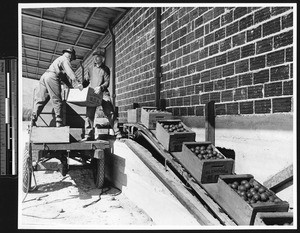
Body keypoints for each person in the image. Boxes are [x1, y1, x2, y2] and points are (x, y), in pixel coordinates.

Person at [30, 48, 83, 127]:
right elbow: (69, 72)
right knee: (57, 100)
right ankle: (59, 122)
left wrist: (70, 86)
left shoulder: (58, 59)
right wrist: (78, 83)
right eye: (72, 58)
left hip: (44, 76)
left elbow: (63, 77)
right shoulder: (65, 60)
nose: (71, 60)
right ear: (70, 55)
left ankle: (33, 119)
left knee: (40, 100)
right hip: (52, 77)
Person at [81, 49, 121, 140]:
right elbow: (87, 81)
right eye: (95, 57)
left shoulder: (105, 69)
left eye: (98, 57)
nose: (96, 58)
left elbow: (107, 82)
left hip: (103, 93)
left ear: (102, 58)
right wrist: (81, 85)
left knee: (110, 112)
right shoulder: (90, 69)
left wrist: (101, 87)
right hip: (93, 94)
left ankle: (117, 132)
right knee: (89, 114)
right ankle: (88, 135)